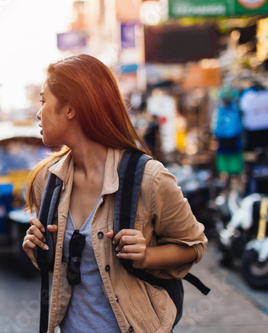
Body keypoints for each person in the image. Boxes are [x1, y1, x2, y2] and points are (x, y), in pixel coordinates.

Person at [21, 55, 207, 333]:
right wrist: (37, 251)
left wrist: (147, 256)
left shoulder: (149, 178)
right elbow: (62, 270)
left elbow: (195, 245)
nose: (39, 113)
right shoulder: (47, 181)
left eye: (43, 100)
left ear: (70, 108)